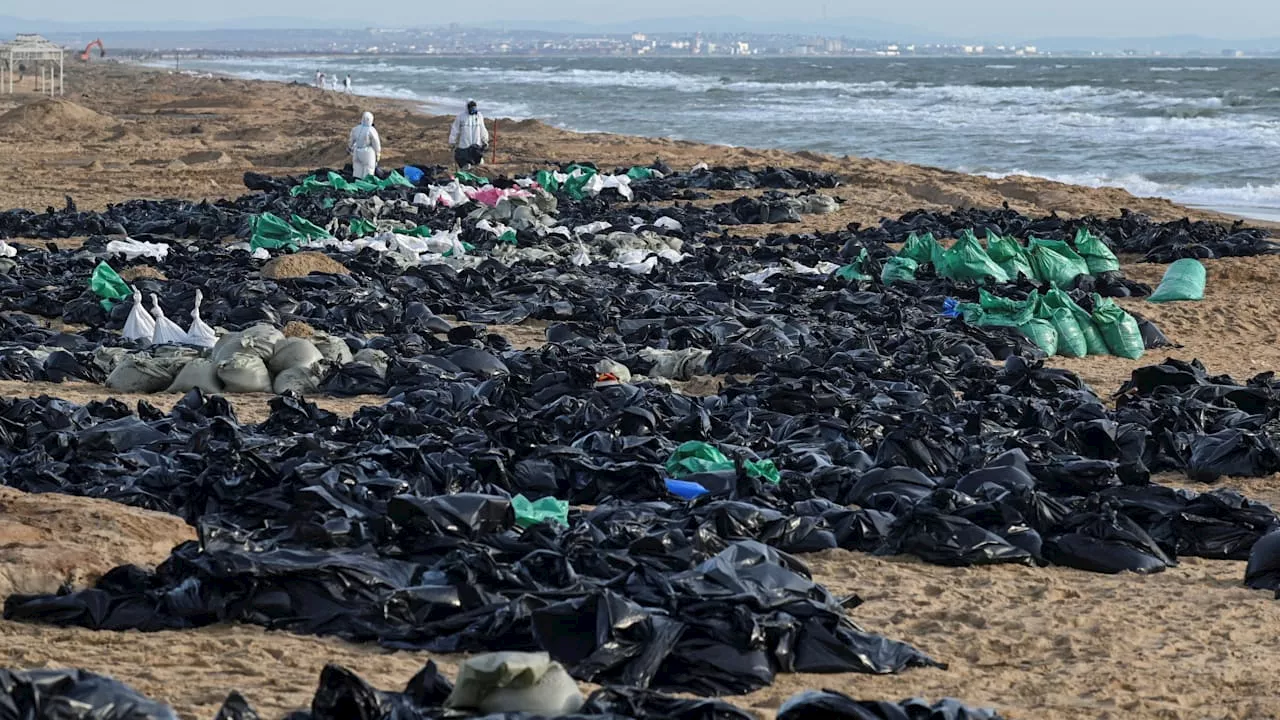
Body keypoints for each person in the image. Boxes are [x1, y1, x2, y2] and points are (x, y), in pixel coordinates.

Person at [449, 99, 490, 169]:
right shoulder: (461, 117)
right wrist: (452, 141)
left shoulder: (479, 116)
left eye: (474, 107)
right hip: (465, 145)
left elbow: (483, 128)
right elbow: (455, 130)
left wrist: (485, 139)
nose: (473, 109)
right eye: (471, 108)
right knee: (465, 163)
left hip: (476, 144)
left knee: (478, 162)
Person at [348, 111, 382, 178]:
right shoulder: (371, 130)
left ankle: (357, 183)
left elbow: (351, 140)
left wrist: (350, 147)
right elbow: (376, 142)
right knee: (369, 169)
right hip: (368, 153)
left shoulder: (356, 129)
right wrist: (378, 152)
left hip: (357, 151)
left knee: (357, 170)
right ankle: (366, 185)